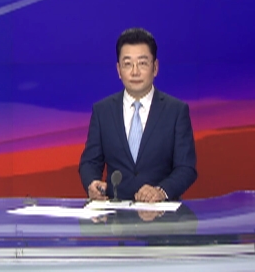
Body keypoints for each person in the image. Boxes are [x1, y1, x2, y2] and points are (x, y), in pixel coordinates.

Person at [79, 28, 197, 202]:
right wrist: (92, 183)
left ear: (155, 67)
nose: (135, 72)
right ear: (119, 70)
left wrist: (161, 191)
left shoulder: (176, 111)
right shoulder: (102, 111)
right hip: (115, 213)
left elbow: (186, 168)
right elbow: (90, 162)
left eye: (142, 63)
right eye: (128, 64)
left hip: (161, 213)